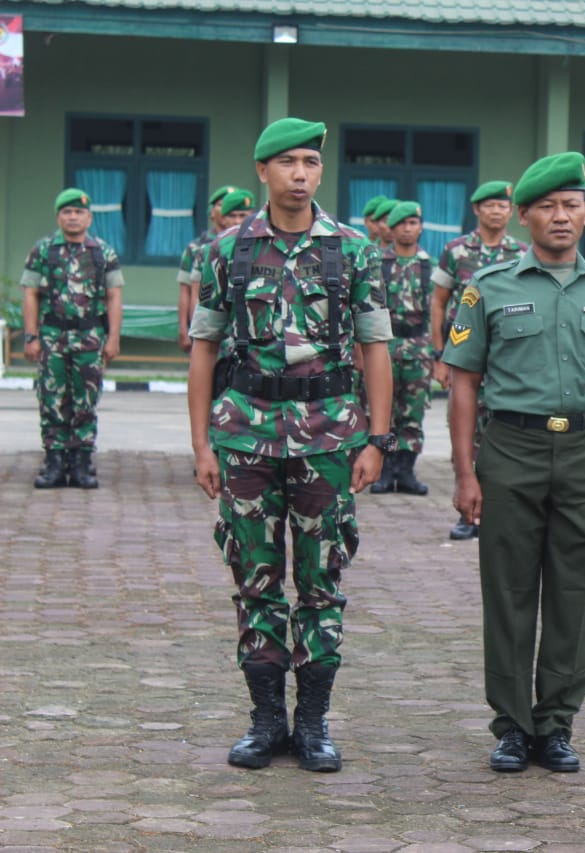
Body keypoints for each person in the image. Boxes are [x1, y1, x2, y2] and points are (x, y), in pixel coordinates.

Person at [187, 117, 393, 773]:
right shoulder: (225, 252)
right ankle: (266, 719)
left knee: (322, 580)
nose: (300, 174)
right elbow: (204, 350)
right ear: (262, 171)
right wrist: (202, 446)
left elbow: (375, 348)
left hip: (328, 438)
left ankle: (313, 723)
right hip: (245, 434)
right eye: (287, 163)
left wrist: (377, 439)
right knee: (256, 580)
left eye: (310, 162)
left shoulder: (354, 250)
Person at [443, 151, 585, 775]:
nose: (561, 217)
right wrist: (464, 471)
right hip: (511, 449)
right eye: (548, 207)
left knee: (574, 591)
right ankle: (511, 724)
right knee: (507, 591)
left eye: (572, 205)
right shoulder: (489, 290)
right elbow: (463, 385)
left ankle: (555, 722)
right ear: (525, 215)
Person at [431, 180, 528, 540]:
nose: (497, 211)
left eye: (503, 206)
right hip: (466, 356)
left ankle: (502, 510)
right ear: (476, 210)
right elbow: (439, 303)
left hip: (507, 359)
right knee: (464, 430)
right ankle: (467, 509)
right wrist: (439, 355)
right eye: (489, 205)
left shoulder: (521, 252)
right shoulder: (456, 251)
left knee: (505, 434)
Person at [21, 187, 124, 489]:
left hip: (90, 337)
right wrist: (30, 336)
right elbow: (30, 294)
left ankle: (82, 462)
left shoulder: (103, 253)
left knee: (86, 398)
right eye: (67, 212)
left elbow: (114, 296)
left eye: (79, 212)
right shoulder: (43, 250)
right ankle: (54, 461)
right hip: (52, 335)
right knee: (51, 398)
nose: (73, 217)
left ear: (89, 217)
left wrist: (114, 337)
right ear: (58, 217)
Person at [370, 200, 433, 496]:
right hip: (385, 346)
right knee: (385, 412)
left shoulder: (428, 266)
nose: (408, 229)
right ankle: (385, 469)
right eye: (401, 224)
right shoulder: (378, 263)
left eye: (413, 223)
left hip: (418, 347)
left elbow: (437, 312)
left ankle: (406, 470)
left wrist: (438, 354)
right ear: (391, 230)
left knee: (413, 412)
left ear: (420, 228)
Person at [178, 184, 237, 353]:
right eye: (221, 203)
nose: (227, 206)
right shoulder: (197, 248)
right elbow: (186, 292)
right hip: (206, 326)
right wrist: (184, 328)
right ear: (212, 212)